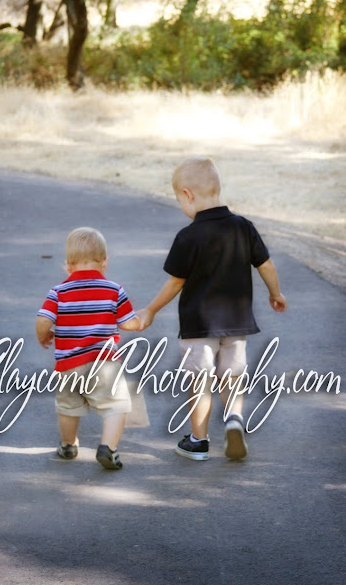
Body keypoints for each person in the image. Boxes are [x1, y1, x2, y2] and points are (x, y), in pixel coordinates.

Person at [137, 157, 287, 461]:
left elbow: (175, 282)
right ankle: (234, 419)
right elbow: (266, 264)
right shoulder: (243, 227)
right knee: (232, 377)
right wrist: (276, 293)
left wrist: (150, 310)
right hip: (237, 323)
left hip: (199, 326)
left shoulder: (188, 236)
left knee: (200, 382)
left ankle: (199, 441)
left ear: (188, 194)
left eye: (179, 200)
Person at [36, 227, 139, 470]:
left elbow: (43, 320)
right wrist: (141, 320)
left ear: (67, 266)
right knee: (116, 405)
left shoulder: (58, 292)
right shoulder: (114, 290)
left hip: (68, 365)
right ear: (104, 262)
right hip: (104, 364)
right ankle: (108, 448)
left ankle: (68, 445)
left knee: (68, 408)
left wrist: (44, 335)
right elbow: (128, 323)